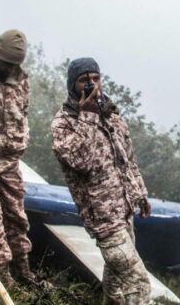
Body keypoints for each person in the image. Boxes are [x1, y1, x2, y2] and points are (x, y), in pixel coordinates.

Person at [51, 57, 151, 304]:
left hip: (124, 210)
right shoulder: (63, 123)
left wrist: (140, 193)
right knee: (137, 282)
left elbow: (126, 160)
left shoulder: (112, 115)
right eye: (84, 80)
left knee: (116, 281)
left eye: (95, 78)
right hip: (103, 218)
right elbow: (81, 161)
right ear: (72, 85)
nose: (92, 84)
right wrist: (87, 116)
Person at [0, 29, 36, 287]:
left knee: (17, 218)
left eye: (15, 64)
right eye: (7, 63)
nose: (10, 69)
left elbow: (23, 112)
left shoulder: (22, 79)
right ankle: (3, 277)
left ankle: (24, 272)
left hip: (10, 162)